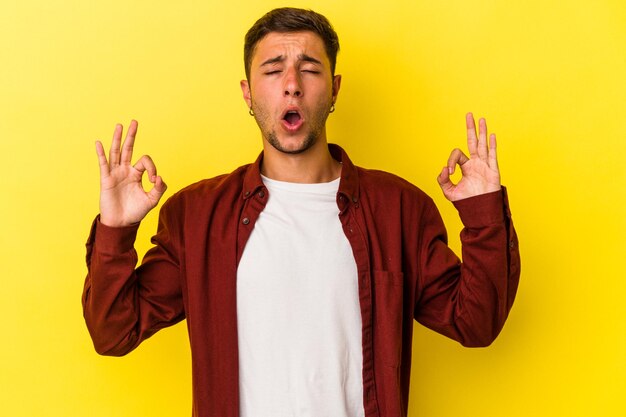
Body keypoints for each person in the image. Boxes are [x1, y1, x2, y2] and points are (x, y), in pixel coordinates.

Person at [82, 7, 520, 417]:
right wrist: (116, 231)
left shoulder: (398, 209)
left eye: (310, 69)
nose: (292, 82)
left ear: (334, 88)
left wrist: (483, 213)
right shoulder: (196, 215)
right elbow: (115, 332)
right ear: (248, 94)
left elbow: (475, 323)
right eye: (273, 70)